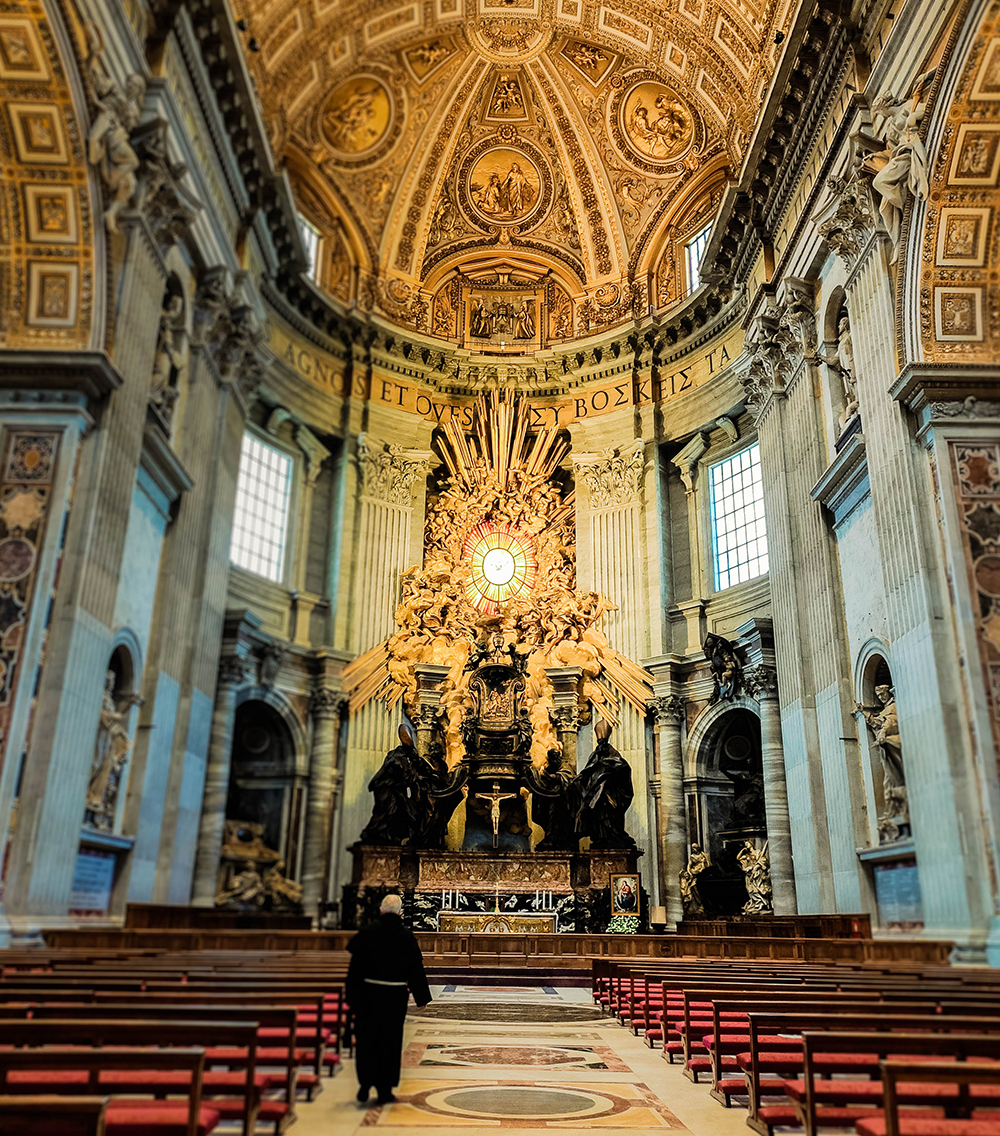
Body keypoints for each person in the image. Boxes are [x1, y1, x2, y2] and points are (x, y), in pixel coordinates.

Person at [347, 894, 431, 1106]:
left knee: (367, 1039)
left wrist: (352, 1000)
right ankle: (384, 1090)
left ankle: (365, 1083)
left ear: (381, 910)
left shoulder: (366, 933)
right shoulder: (406, 936)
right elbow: (415, 969)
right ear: (400, 912)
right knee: (390, 1041)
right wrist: (422, 997)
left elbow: (354, 971)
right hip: (394, 997)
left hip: (368, 995)